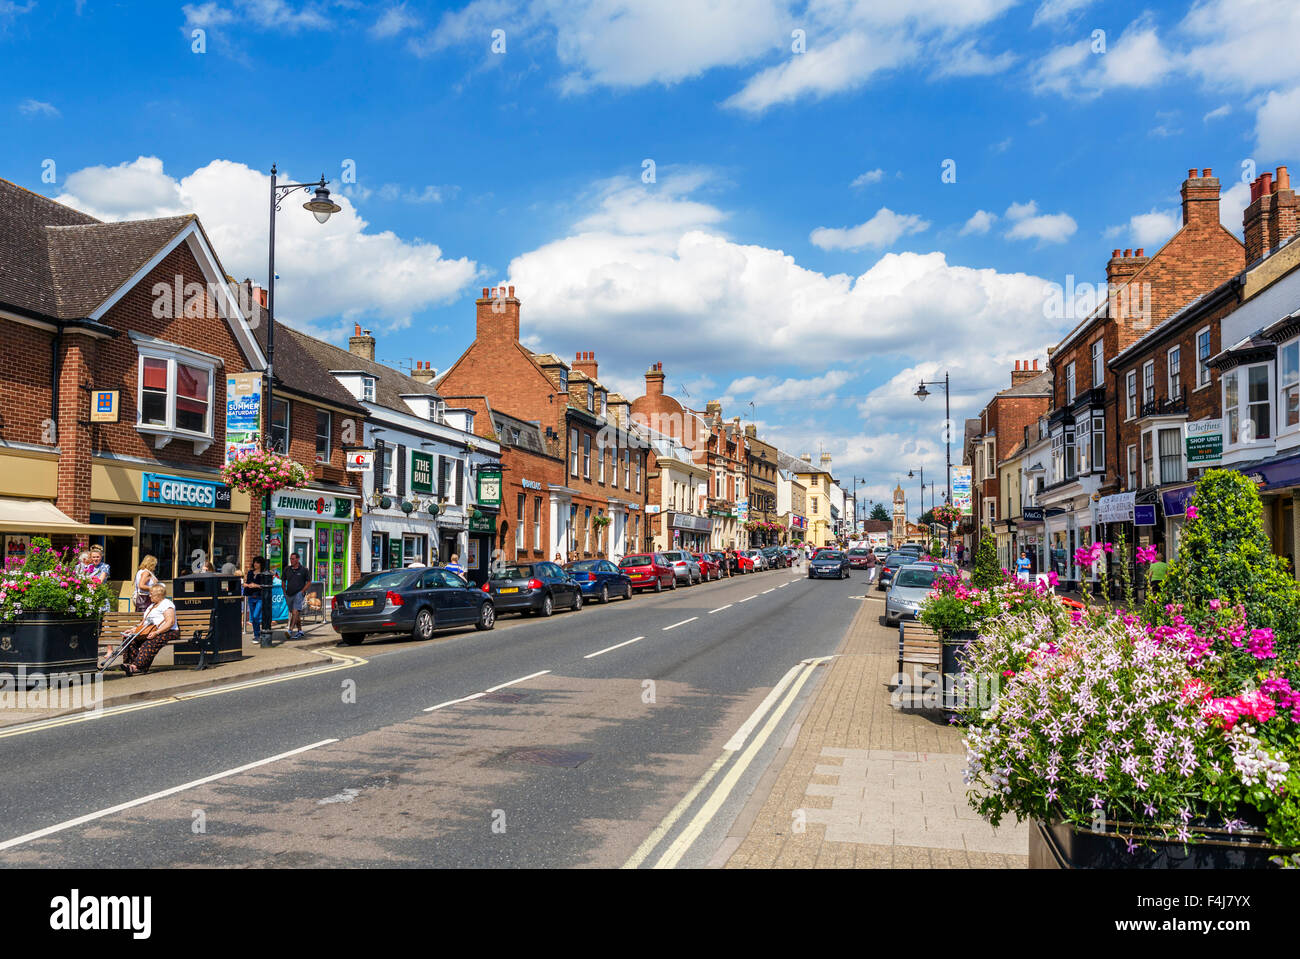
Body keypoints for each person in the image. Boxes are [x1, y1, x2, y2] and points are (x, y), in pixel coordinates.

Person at [116, 583, 177, 675]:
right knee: (129, 638)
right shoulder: (151, 606)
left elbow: (170, 622)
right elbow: (143, 623)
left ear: (158, 594)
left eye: (151, 593)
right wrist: (133, 630)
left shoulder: (166, 604)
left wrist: (157, 632)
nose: (149, 595)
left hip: (168, 631)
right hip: (150, 630)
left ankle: (137, 666)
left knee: (149, 641)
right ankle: (132, 664)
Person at [282, 552, 310, 640]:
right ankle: (300, 631)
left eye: (293, 559)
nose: (291, 560)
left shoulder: (304, 570)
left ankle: (290, 630)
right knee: (295, 614)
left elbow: (309, 582)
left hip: (299, 593)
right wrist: (284, 591)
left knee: (295, 612)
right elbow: (283, 580)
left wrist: (302, 591)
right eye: (290, 559)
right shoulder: (287, 569)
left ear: (298, 559)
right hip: (289, 593)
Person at [245, 557, 267, 645]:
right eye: (254, 562)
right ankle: (256, 635)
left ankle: (258, 635)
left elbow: (265, 586)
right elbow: (247, 582)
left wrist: (256, 585)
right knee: (254, 618)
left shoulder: (263, 574)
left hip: (259, 597)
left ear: (261, 564)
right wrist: (246, 585)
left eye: (257, 562)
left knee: (255, 616)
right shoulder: (250, 572)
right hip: (251, 596)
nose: (255, 564)